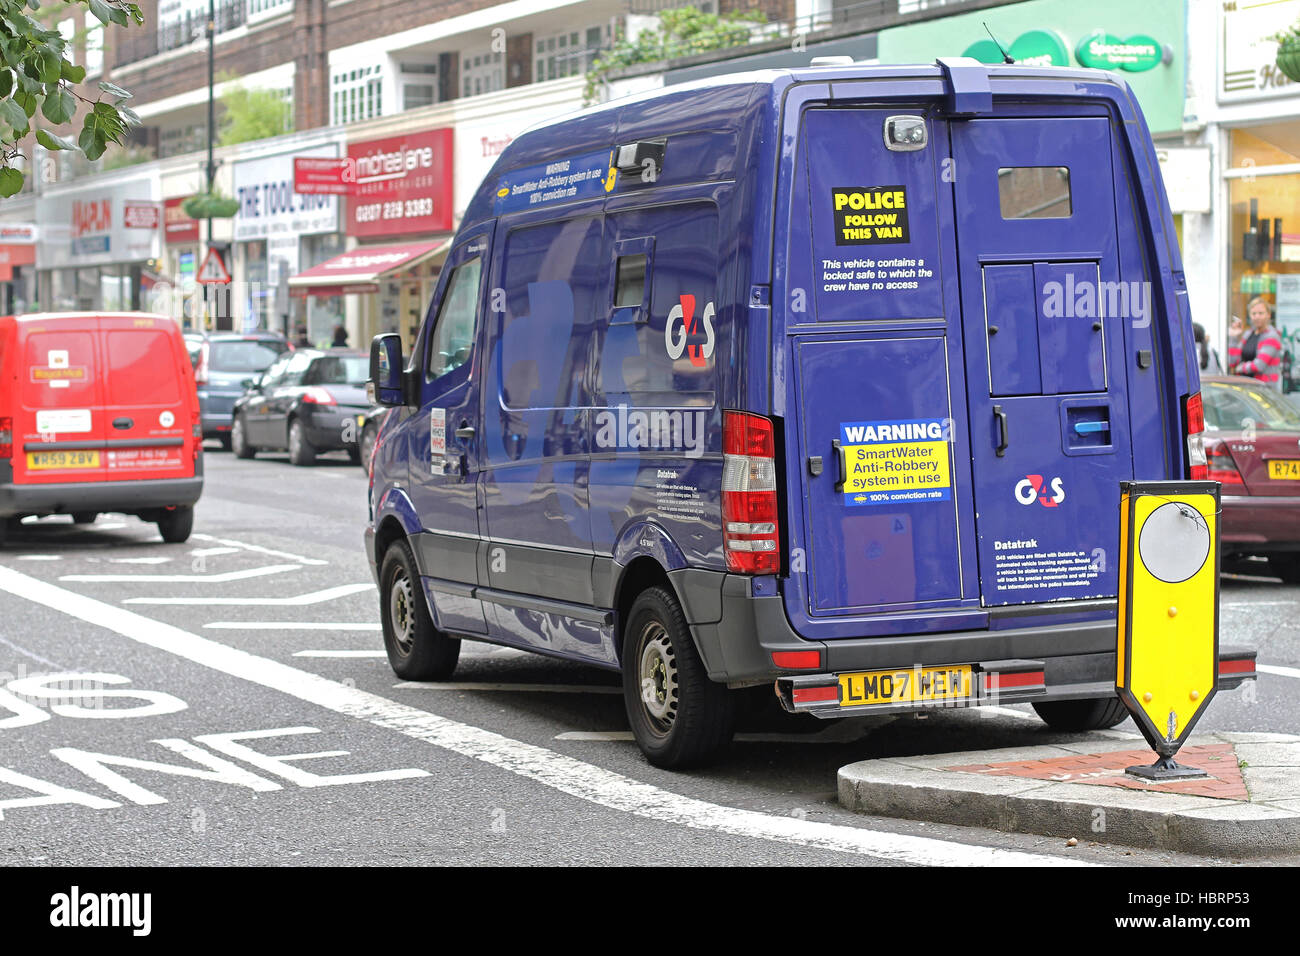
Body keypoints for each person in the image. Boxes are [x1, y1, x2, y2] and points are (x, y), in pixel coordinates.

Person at [1228, 297, 1283, 389]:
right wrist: (1234, 338)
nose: (1257, 317)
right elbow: (1233, 362)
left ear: (1268, 315)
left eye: (1261, 313)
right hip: (1246, 388)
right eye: (1254, 314)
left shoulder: (1272, 336)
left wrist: (1240, 368)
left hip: (1265, 390)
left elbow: (1259, 365)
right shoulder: (1248, 334)